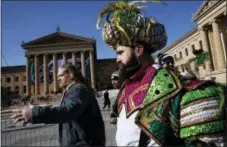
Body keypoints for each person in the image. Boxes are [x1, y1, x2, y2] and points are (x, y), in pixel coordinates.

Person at [96, 1, 226, 146]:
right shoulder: (125, 90)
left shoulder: (186, 92)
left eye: (120, 52)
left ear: (138, 50)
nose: (117, 59)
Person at [11, 63, 106, 146]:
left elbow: (69, 111)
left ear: (70, 75)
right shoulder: (74, 90)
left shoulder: (77, 89)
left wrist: (36, 114)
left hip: (83, 143)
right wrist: (38, 108)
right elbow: (66, 108)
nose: (57, 79)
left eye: (60, 75)